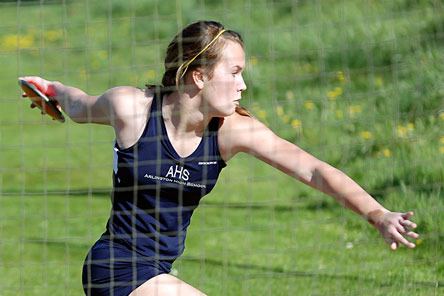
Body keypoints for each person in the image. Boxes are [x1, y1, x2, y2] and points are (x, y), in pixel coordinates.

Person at [20, 20, 419, 296]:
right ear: (199, 75)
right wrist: (53, 91)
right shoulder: (132, 109)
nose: (243, 84)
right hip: (114, 267)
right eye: (235, 71)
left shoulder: (232, 131)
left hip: (158, 274)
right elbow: (82, 105)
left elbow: (312, 169)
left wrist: (377, 214)